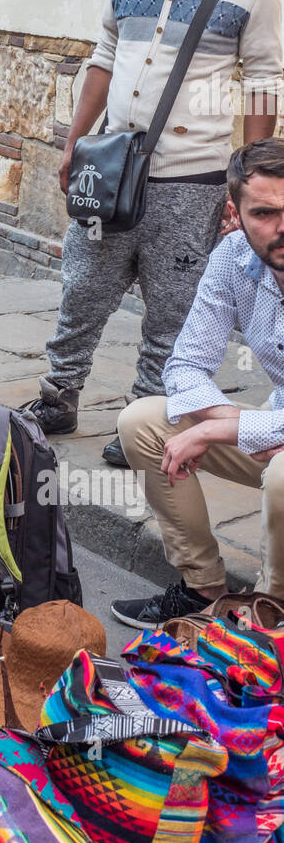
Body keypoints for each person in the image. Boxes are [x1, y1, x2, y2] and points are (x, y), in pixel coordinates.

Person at [25, 0, 282, 469]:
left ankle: (146, 414)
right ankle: (58, 396)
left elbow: (263, 87)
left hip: (193, 181)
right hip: (109, 168)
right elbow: (103, 58)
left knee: (174, 306)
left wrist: (243, 185)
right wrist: (75, 140)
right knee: (82, 286)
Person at [113, 139, 284, 627]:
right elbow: (185, 364)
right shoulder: (233, 257)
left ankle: (270, 613)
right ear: (235, 210)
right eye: (266, 213)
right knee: (142, 421)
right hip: (273, 429)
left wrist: (214, 431)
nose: (282, 227)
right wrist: (232, 421)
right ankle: (205, 592)